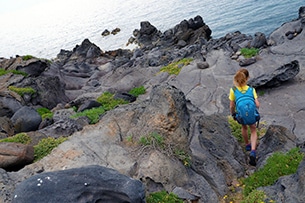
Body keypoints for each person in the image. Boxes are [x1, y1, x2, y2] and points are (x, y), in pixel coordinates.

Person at [229, 68, 260, 166]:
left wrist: (233, 114)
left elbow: (231, 105)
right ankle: (253, 151)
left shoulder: (233, 90)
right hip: (251, 114)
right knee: (253, 130)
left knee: (244, 127)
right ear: (247, 78)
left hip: (241, 115)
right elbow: (257, 104)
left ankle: (247, 145)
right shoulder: (251, 89)